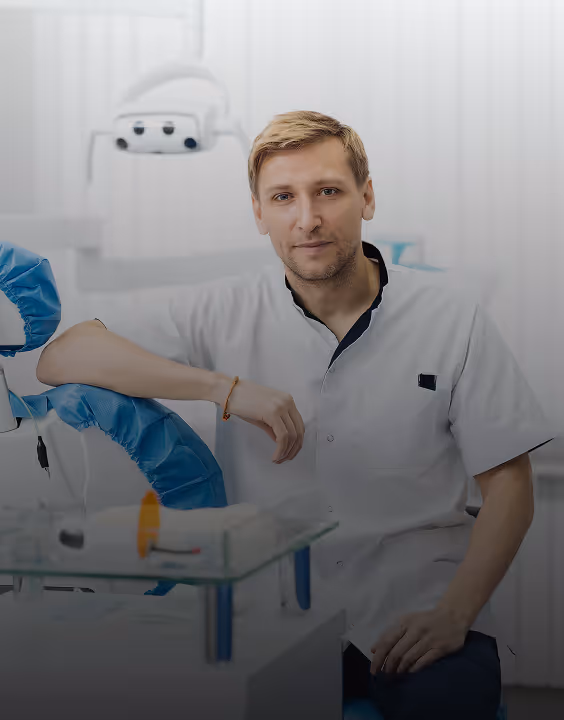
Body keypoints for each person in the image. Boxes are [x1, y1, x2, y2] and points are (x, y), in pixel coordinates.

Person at [37, 110, 554, 719]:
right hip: (272, 610)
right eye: (283, 197)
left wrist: (455, 615)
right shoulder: (220, 310)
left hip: (418, 602)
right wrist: (224, 388)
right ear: (259, 212)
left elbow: (511, 487)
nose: (306, 219)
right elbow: (63, 354)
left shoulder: (451, 318)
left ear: (366, 197)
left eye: (328, 192)